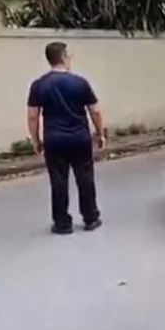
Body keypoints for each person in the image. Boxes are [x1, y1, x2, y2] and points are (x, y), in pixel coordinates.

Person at [27, 42, 105, 235]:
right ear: (63, 58)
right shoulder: (80, 83)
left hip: (54, 139)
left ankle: (62, 223)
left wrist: (36, 140)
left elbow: (32, 116)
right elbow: (95, 111)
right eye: (69, 56)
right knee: (85, 178)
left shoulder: (39, 85)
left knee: (58, 181)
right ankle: (90, 217)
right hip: (80, 138)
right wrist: (100, 133)